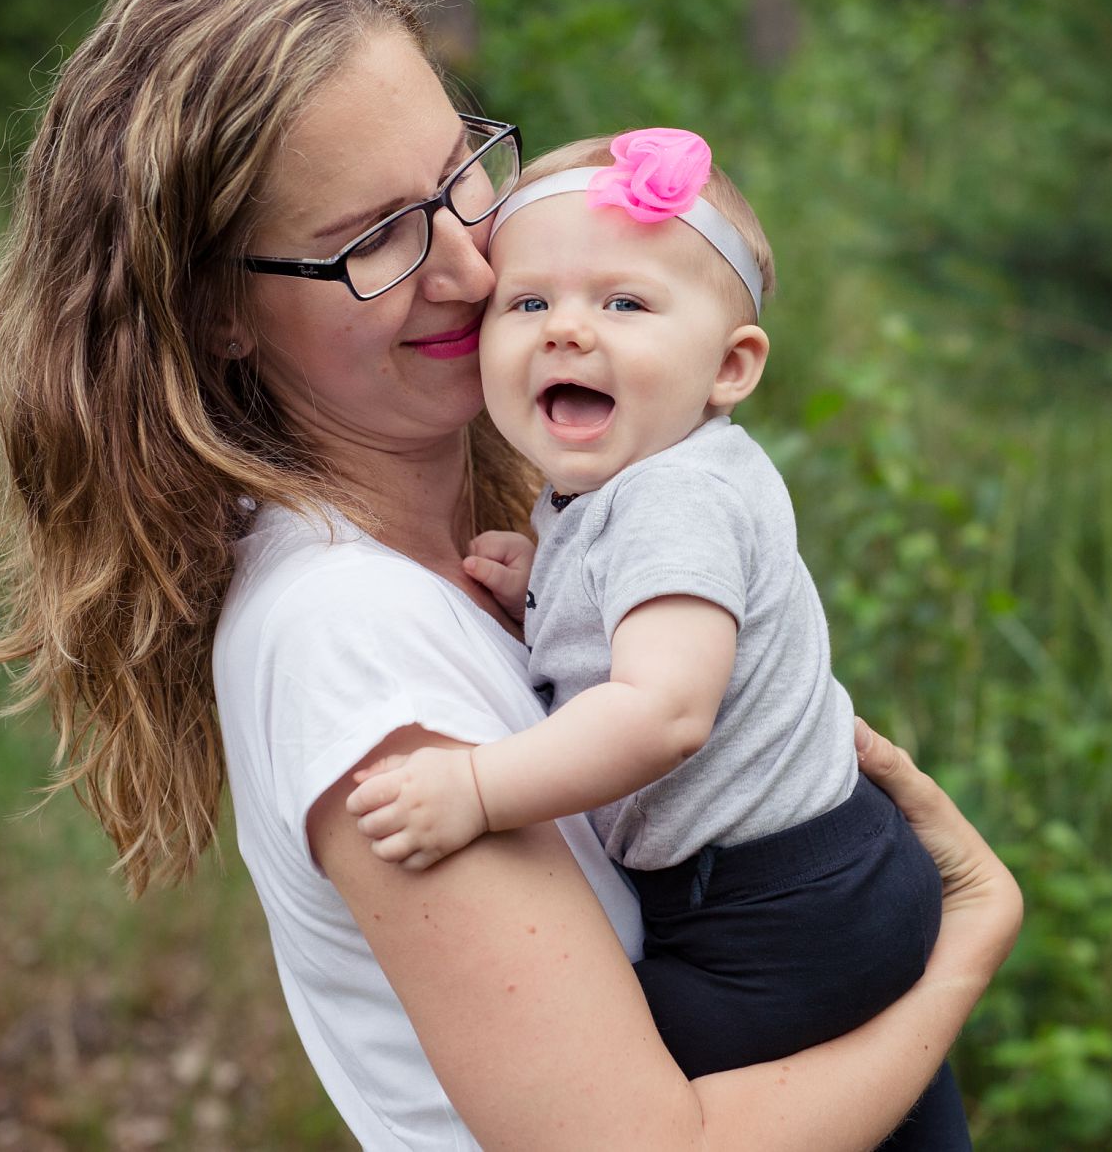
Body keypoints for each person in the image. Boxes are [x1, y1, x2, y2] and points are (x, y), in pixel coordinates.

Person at [0, 0, 1021, 1151]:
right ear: (215, 313)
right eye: (374, 239)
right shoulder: (347, 642)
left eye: (462, 173)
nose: (472, 265)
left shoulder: (533, 522)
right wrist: (960, 950)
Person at [340, 128, 967, 1146]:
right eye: (528, 302)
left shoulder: (671, 495)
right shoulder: (638, 484)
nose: (566, 331)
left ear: (729, 366)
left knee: (614, 1089)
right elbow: (640, 626)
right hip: (823, 883)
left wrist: (476, 788)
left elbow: (665, 711)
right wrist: (549, 589)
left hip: (774, 913)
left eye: (623, 303)